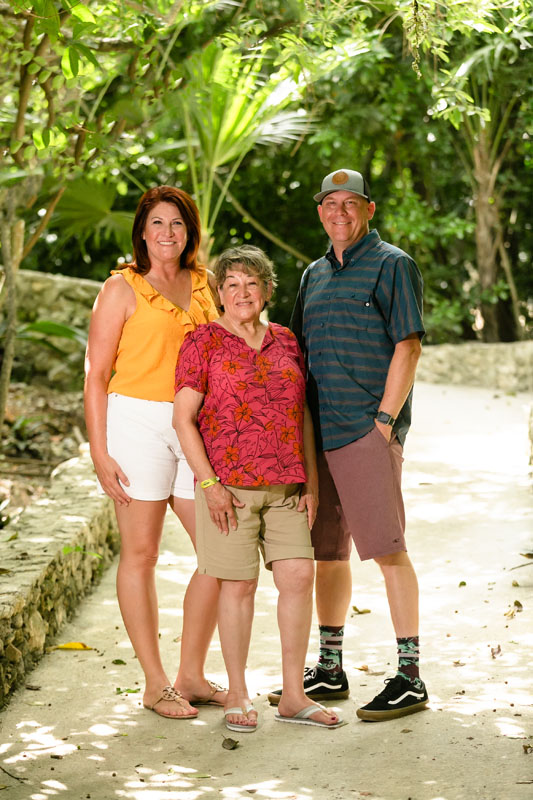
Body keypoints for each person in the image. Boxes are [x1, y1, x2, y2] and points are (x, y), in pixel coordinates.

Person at [268, 168, 427, 722]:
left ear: (369, 210)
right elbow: (295, 353)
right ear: (320, 212)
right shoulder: (313, 274)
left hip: (366, 431)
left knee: (387, 549)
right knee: (327, 554)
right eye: (330, 203)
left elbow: (408, 346)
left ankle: (410, 677)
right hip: (319, 434)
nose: (340, 212)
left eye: (350, 203)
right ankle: (331, 669)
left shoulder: (393, 264)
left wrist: (383, 423)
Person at [173, 245, 344, 732]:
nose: (242, 292)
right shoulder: (202, 341)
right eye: (231, 284)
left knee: (298, 577)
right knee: (239, 585)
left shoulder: (286, 340)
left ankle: (293, 695)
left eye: (252, 283)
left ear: (267, 290)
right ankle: (237, 693)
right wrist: (209, 484)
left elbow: (302, 413)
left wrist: (309, 481)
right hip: (228, 489)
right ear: (219, 293)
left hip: (287, 487)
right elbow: (183, 420)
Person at [84, 185, 227, 719]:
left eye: (178, 223)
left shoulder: (207, 283)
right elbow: (96, 375)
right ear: (142, 233)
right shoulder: (120, 288)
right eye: (158, 223)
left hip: (196, 426)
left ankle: (191, 676)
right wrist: (99, 451)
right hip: (136, 424)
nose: (168, 233)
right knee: (141, 554)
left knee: (219, 552)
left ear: (190, 232)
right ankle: (154, 683)